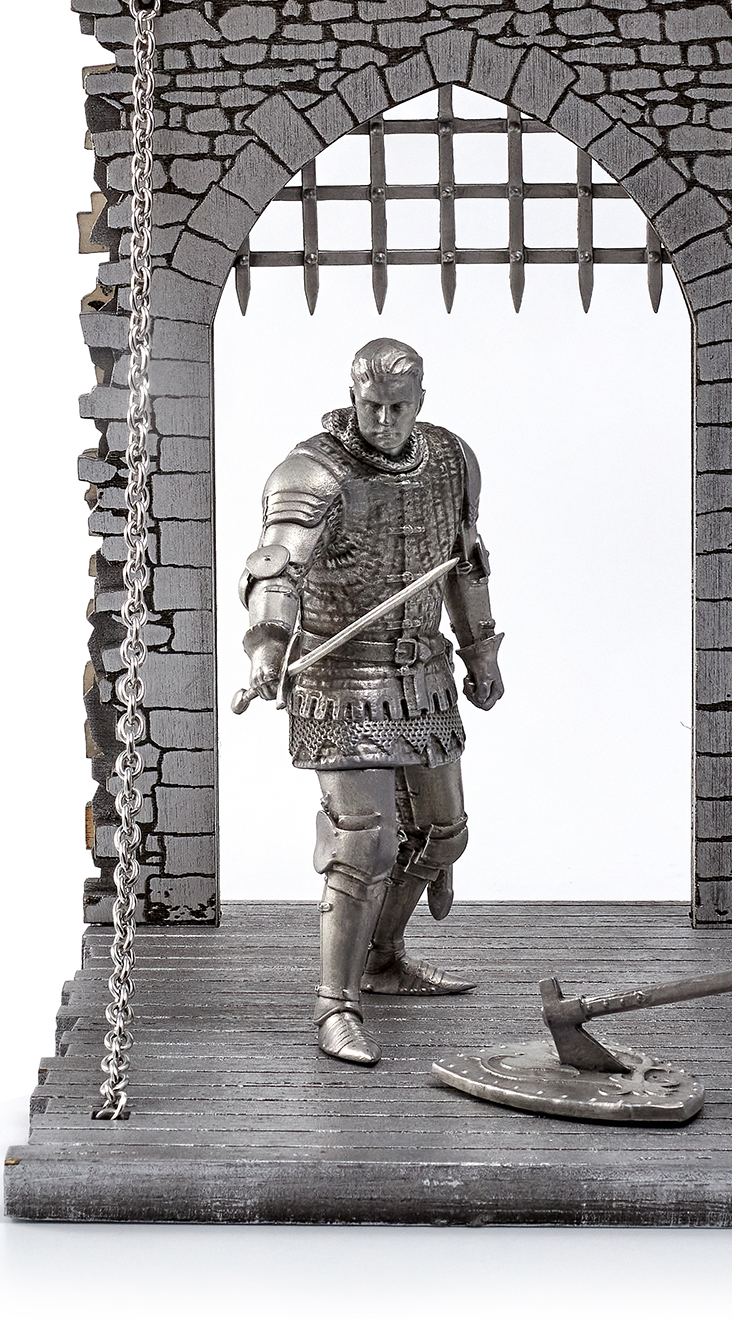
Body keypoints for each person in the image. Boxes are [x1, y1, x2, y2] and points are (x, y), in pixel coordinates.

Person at [239, 338, 504, 1065]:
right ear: (352, 396)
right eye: (371, 405)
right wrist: (268, 645)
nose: (384, 420)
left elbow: (465, 563)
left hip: (423, 673)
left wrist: (480, 651)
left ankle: (383, 957)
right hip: (341, 678)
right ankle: (335, 1003)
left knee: (444, 835)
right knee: (364, 844)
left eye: (398, 407)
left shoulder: (451, 460)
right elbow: (276, 567)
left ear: (420, 402)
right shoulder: (312, 472)